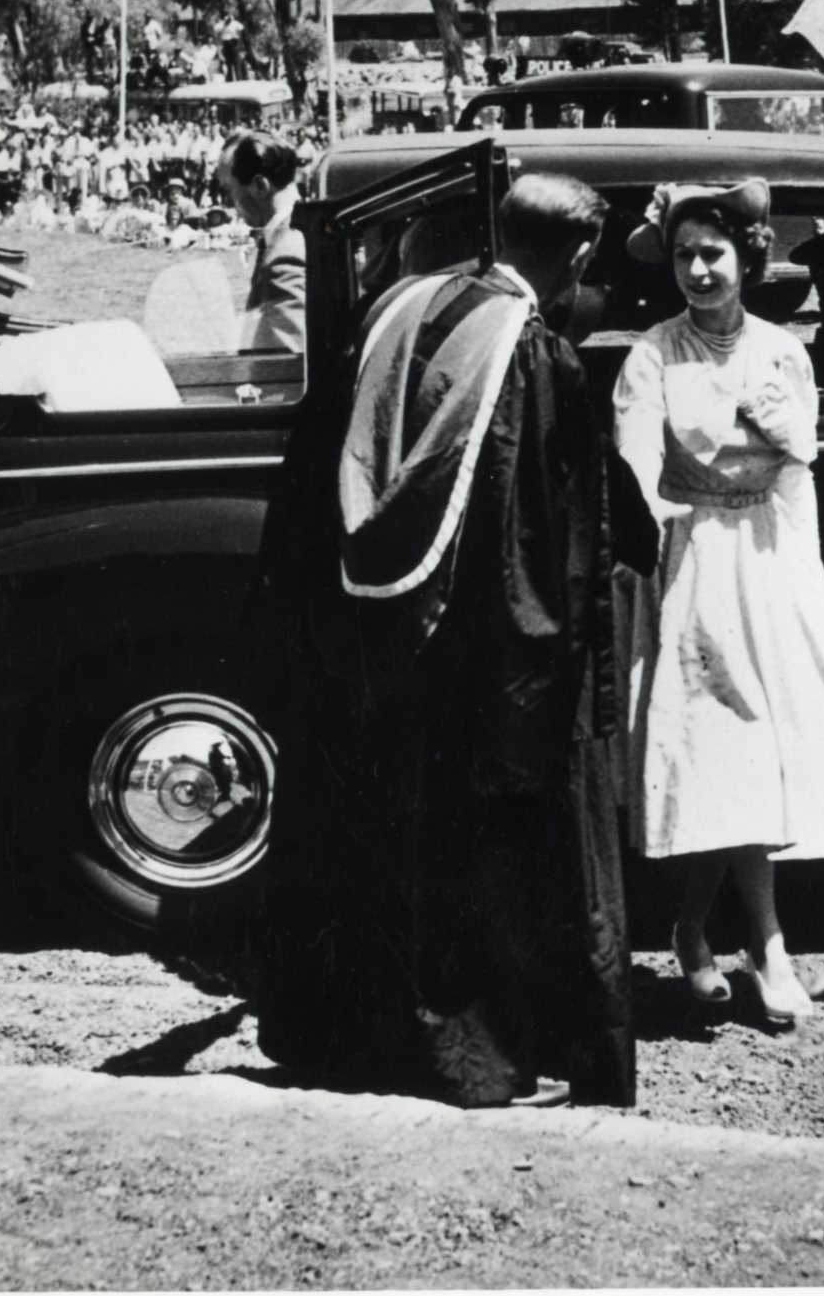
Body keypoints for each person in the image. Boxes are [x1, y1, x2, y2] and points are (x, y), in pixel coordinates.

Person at [256, 172, 634, 1108]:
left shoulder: (401, 309)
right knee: (483, 852)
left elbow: (316, 476)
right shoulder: (533, 353)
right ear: (580, 257)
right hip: (479, 654)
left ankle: (356, 1037)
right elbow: (550, 542)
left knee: (386, 837)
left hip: (377, 642)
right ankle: (479, 1053)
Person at [613, 179, 824, 1028]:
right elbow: (633, 468)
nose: (697, 270)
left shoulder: (779, 351)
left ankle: (696, 926)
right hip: (692, 557)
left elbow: (801, 463)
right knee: (733, 749)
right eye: (684, 254)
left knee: (759, 749)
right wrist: (656, 546)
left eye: (712, 253)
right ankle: (766, 946)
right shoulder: (653, 352)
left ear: (747, 259)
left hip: (764, 555)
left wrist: (806, 575)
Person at [215, 130, 306, 351]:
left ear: (260, 186)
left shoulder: (286, 257)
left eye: (229, 191)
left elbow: (288, 364)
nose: (228, 203)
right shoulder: (295, 231)